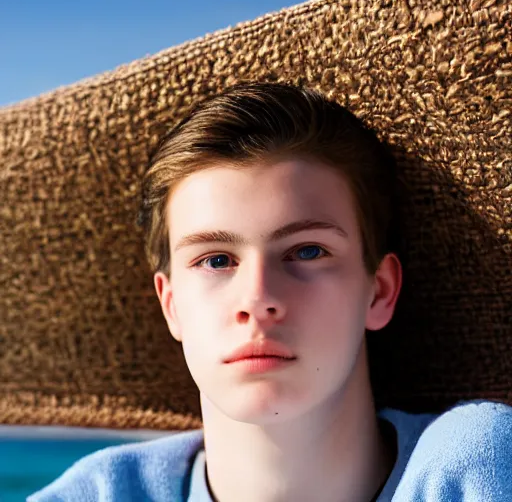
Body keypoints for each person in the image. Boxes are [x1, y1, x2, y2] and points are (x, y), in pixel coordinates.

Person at [28, 82, 512, 501]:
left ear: (380, 291)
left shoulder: (472, 468)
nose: (257, 299)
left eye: (306, 252)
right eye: (216, 260)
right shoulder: (97, 493)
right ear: (171, 305)